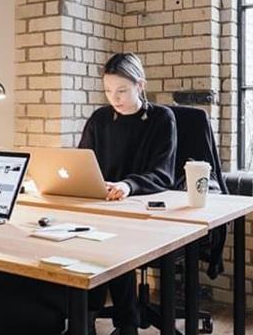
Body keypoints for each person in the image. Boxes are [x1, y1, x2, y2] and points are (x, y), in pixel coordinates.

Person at [79, 52, 177, 335]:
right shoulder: (100, 119)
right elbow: (84, 163)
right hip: (104, 206)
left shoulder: (162, 118)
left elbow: (164, 174)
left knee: (111, 244)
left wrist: (127, 185)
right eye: (108, 91)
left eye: (122, 90)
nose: (114, 98)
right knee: (81, 240)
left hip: (144, 210)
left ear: (140, 85)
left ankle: (122, 322)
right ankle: (89, 316)